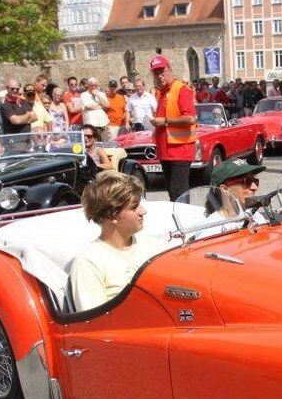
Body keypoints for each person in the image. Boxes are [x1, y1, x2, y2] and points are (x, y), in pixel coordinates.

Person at [69, 170, 154, 311]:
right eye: (134, 207)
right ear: (112, 215)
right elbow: (95, 323)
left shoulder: (151, 246)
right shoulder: (88, 261)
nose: (143, 210)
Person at [150, 55, 197, 201]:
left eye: (162, 71)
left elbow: (190, 118)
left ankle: (184, 221)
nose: (159, 76)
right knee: (173, 191)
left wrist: (164, 122)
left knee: (178, 192)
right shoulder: (162, 92)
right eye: (156, 73)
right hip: (167, 150)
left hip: (180, 150)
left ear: (169, 70)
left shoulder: (181, 89)